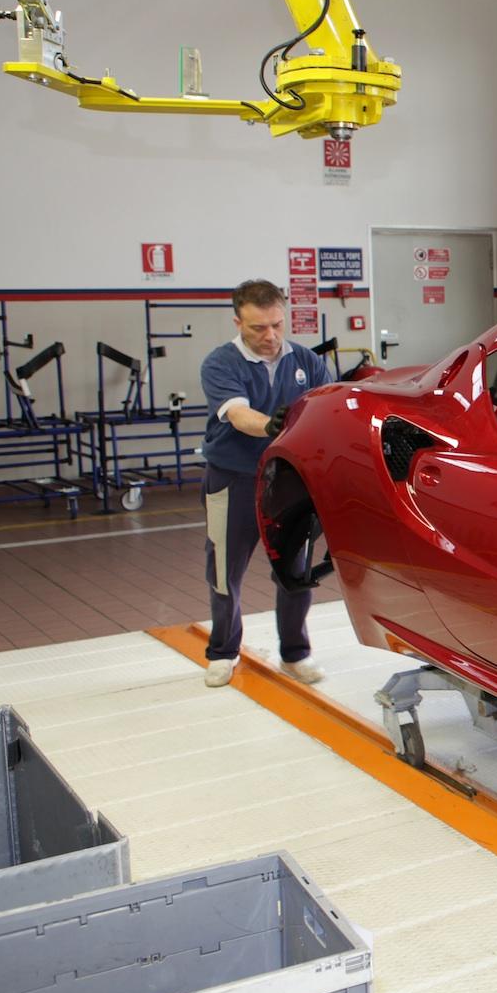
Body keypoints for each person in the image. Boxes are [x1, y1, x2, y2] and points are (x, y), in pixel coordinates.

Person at [198, 279, 335, 688]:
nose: (270, 336)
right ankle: (223, 652)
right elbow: (238, 414)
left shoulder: (307, 361)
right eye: (258, 327)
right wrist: (272, 425)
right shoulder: (220, 363)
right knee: (225, 571)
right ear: (238, 321)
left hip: (289, 483)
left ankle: (295, 654)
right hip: (234, 479)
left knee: (294, 572)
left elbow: (326, 411)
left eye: (277, 324)